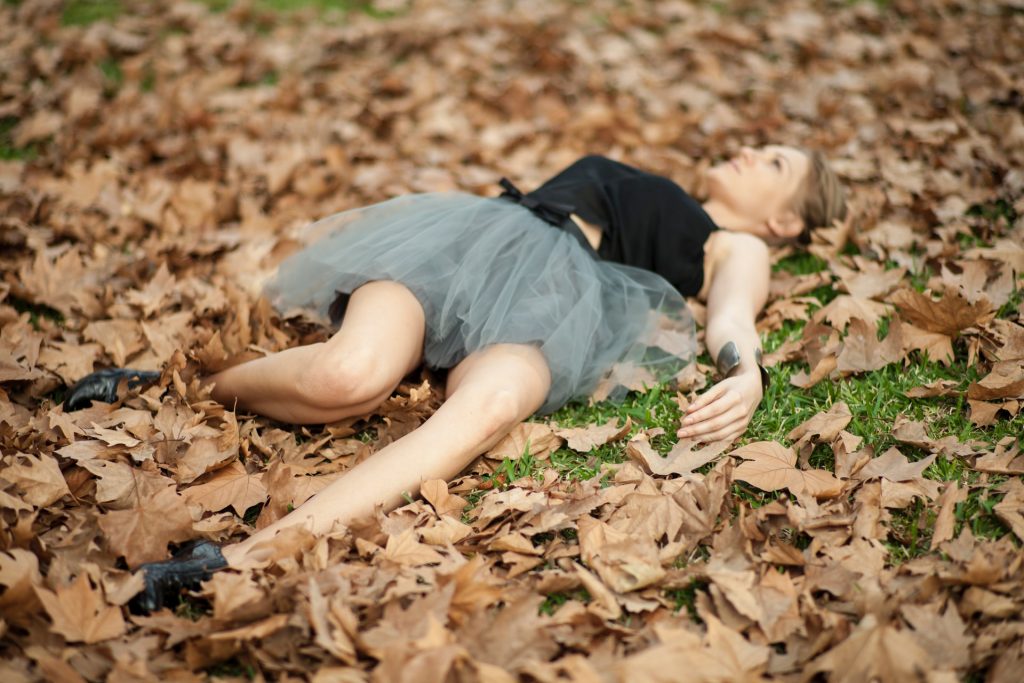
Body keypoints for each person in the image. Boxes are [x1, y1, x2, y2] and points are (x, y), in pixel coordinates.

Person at [64, 146, 846, 611]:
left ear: (783, 222)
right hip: (469, 250)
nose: (751, 151)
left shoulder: (738, 247)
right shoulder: (658, 183)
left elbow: (732, 320)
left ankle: (233, 563)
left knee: (491, 407)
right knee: (350, 375)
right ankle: (165, 384)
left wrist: (746, 376)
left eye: (775, 163)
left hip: (559, 309)